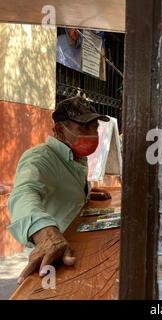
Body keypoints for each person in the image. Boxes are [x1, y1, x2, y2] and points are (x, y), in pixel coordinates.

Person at [8, 97, 112, 285]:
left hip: (77, 251)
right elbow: (24, 193)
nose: (92, 134)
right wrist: (45, 233)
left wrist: (85, 193)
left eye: (94, 128)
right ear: (59, 130)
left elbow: (63, 184)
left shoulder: (75, 155)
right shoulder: (39, 157)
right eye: (83, 128)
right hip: (52, 257)